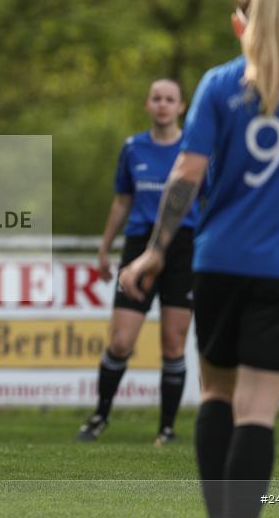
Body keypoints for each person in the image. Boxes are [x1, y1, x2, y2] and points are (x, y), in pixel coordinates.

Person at [119, 0, 279, 518]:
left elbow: (185, 176)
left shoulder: (218, 84)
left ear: (237, 23)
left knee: (216, 397)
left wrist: (155, 249)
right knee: (257, 413)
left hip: (218, 264)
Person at [77, 79, 198, 446]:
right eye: (156, 99)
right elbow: (122, 202)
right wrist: (105, 247)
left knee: (174, 343)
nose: (162, 105)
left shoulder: (194, 149)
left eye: (170, 99)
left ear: (181, 107)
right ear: (148, 105)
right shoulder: (134, 148)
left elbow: (212, 202)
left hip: (183, 248)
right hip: (137, 248)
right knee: (121, 341)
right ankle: (100, 416)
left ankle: (166, 429)